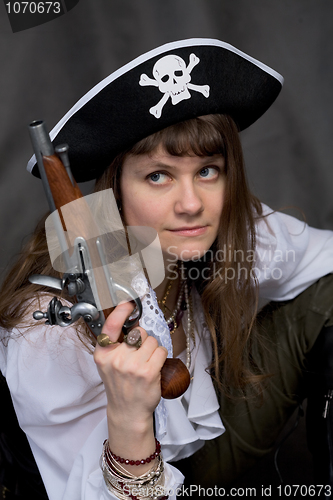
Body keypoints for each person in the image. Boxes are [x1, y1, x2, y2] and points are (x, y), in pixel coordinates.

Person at [1, 38, 333, 500]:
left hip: (202, 458)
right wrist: (128, 414)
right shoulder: (47, 335)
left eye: (208, 170)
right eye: (158, 175)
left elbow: (325, 254)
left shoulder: (220, 234)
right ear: (115, 190)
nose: (193, 204)